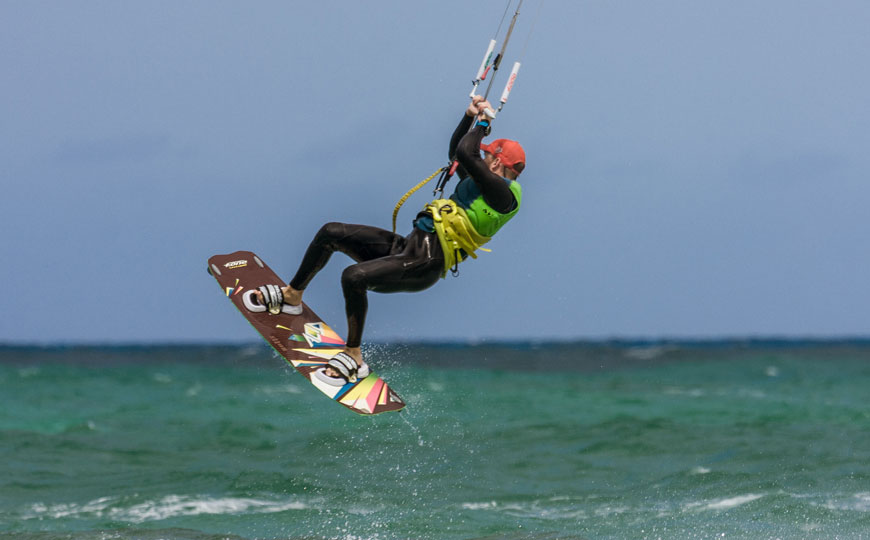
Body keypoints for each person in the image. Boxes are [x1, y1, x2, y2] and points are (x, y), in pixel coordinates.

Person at [255, 95, 525, 386]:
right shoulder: (479, 183)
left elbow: (466, 151)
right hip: (407, 247)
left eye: (488, 156)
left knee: (353, 277)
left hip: (425, 263)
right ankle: (292, 296)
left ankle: (354, 357)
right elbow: (458, 153)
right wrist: (468, 116)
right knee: (331, 232)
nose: (483, 158)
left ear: (497, 163)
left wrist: (483, 124)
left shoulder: (504, 197)